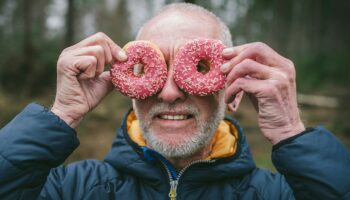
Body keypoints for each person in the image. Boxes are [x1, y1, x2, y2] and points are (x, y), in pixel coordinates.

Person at [0, 3, 349, 200]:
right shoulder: (69, 190)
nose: (169, 93)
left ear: (233, 88)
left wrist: (290, 131)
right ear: (127, 80)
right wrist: (61, 115)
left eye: (196, 68)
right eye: (151, 69)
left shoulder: (281, 194)